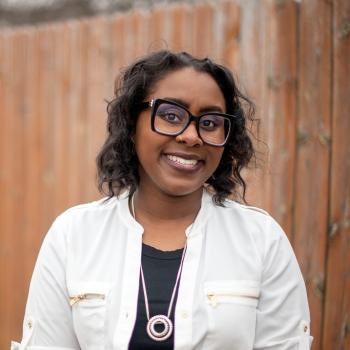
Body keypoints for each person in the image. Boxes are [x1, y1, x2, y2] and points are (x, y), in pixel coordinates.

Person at [12, 50, 313, 350]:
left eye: (209, 123)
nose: (192, 136)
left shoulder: (261, 240)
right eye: (171, 116)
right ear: (132, 125)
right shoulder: (73, 236)